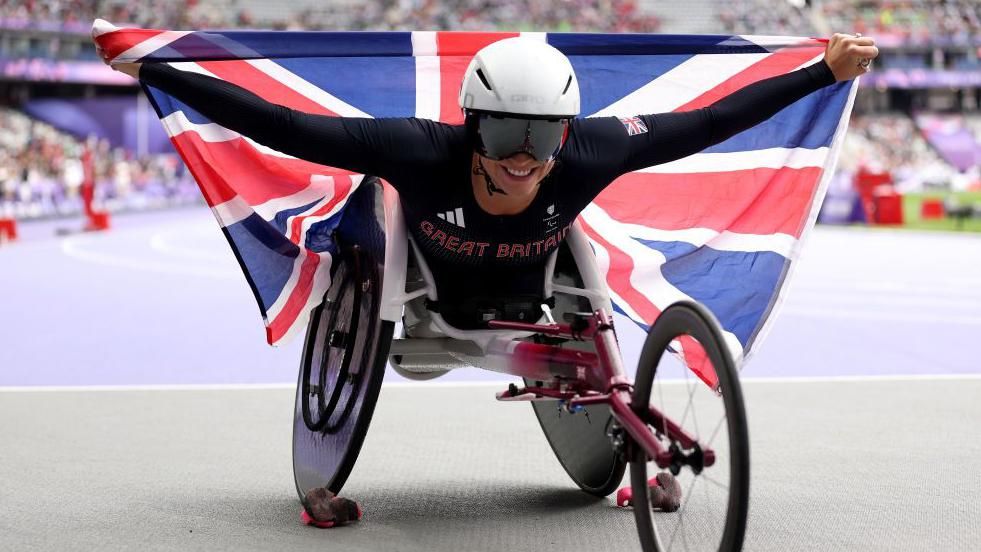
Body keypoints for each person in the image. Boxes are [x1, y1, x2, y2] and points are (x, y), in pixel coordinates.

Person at [97, 34, 876, 327]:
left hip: (535, 287)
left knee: (587, 263)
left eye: (542, 135)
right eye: (506, 131)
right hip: (429, 287)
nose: (523, 153)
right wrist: (159, 70)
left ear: (566, 132)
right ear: (473, 124)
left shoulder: (590, 152)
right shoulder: (415, 148)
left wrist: (820, 70)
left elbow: (709, 123)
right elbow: (286, 127)